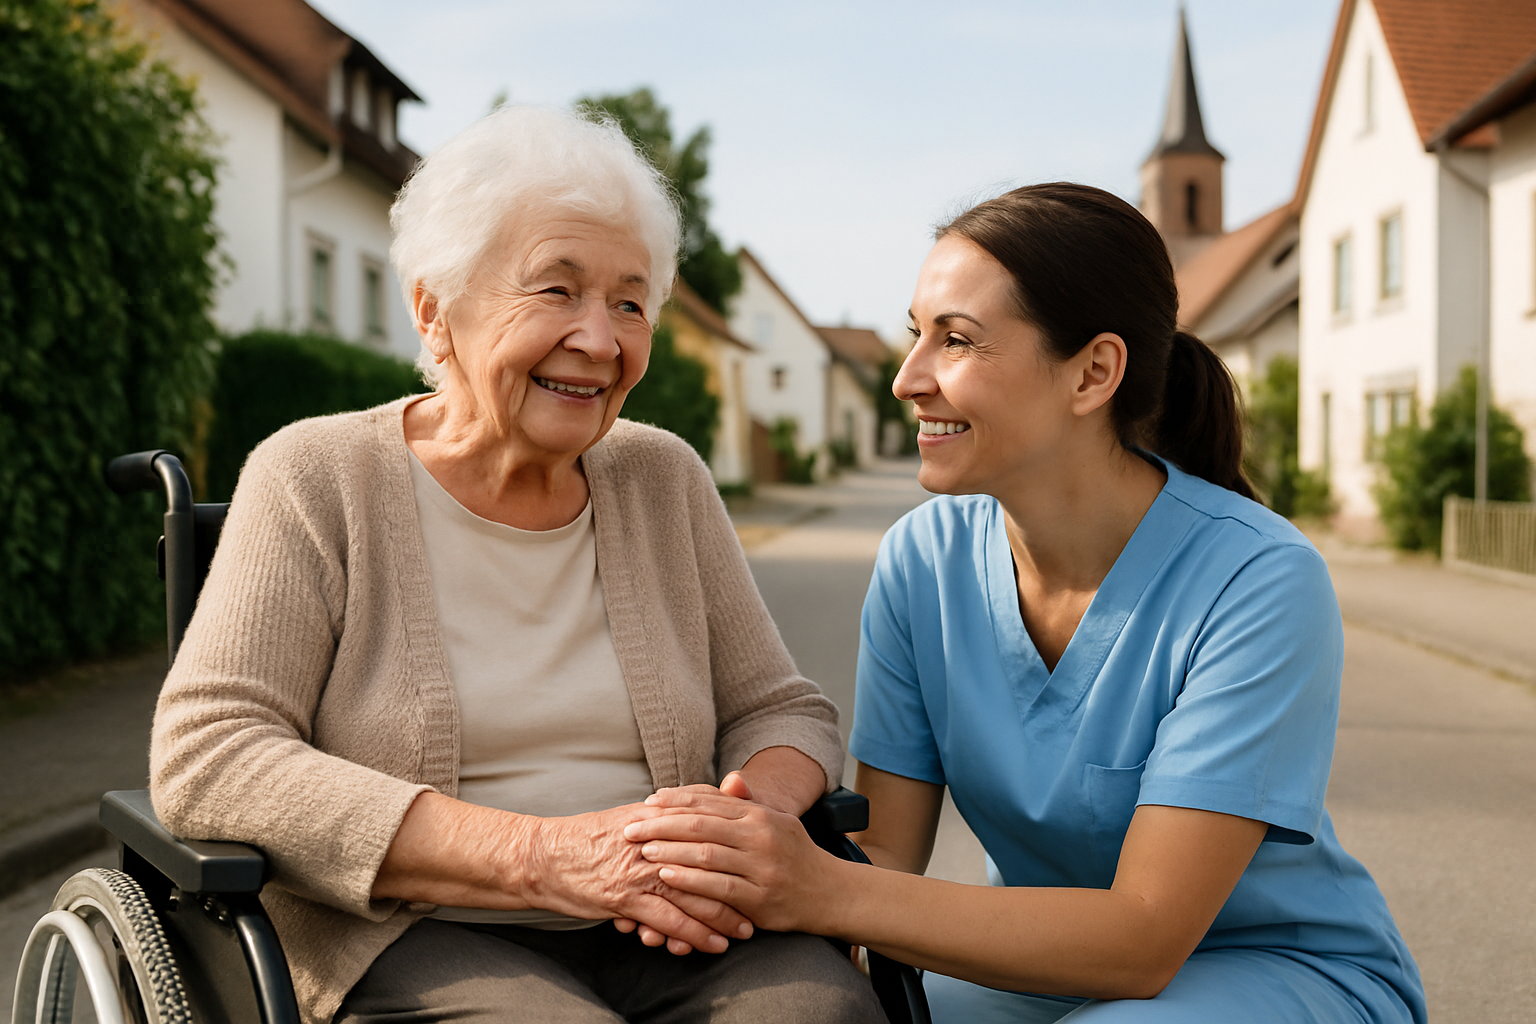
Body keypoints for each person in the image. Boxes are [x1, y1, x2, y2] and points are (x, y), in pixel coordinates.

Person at [624, 183, 1428, 1023]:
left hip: (1273, 970)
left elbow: (1143, 938)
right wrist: (724, 864)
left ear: (1093, 373)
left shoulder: (1258, 579)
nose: (907, 379)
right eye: (916, 336)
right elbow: (887, 859)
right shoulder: (922, 560)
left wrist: (814, 886)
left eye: (957, 342)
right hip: (1041, 966)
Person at [148, 105, 883, 1024]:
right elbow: (212, 756)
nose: (602, 340)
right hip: (407, 927)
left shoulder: (664, 477)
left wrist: (741, 829)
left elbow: (780, 709)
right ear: (434, 310)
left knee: (826, 1012)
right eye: (555, 291)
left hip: (664, 919)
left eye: (630, 301)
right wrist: (551, 858)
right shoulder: (315, 474)